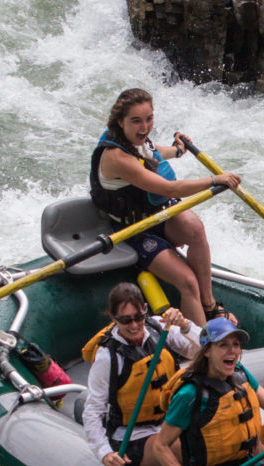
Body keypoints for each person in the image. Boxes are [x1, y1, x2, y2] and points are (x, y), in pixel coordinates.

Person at [90, 88, 241, 326]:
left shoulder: (134, 140)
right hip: (130, 231)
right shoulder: (117, 158)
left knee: (196, 229)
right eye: (136, 121)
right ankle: (203, 348)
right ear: (121, 122)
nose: (145, 127)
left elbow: (151, 152)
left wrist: (178, 150)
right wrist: (215, 180)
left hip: (154, 216)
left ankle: (209, 306)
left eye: (149, 119)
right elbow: (170, 189)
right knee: (188, 281)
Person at [151, 318, 264, 466]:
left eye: (236, 345)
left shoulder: (241, 374)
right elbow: (160, 446)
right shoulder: (190, 394)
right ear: (207, 351)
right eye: (223, 345)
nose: (232, 351)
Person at [81, 282, 200, 466]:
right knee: (190, 450)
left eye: (138, 317)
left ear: (145, 309)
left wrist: (185, 326)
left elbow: (201, 351)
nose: (135, 325)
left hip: (170, 422)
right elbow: (93, 411)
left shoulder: (159, 328)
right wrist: (104, 453)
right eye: (126, 320)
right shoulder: (108, 357)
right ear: (113, 318)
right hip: (133, 436)